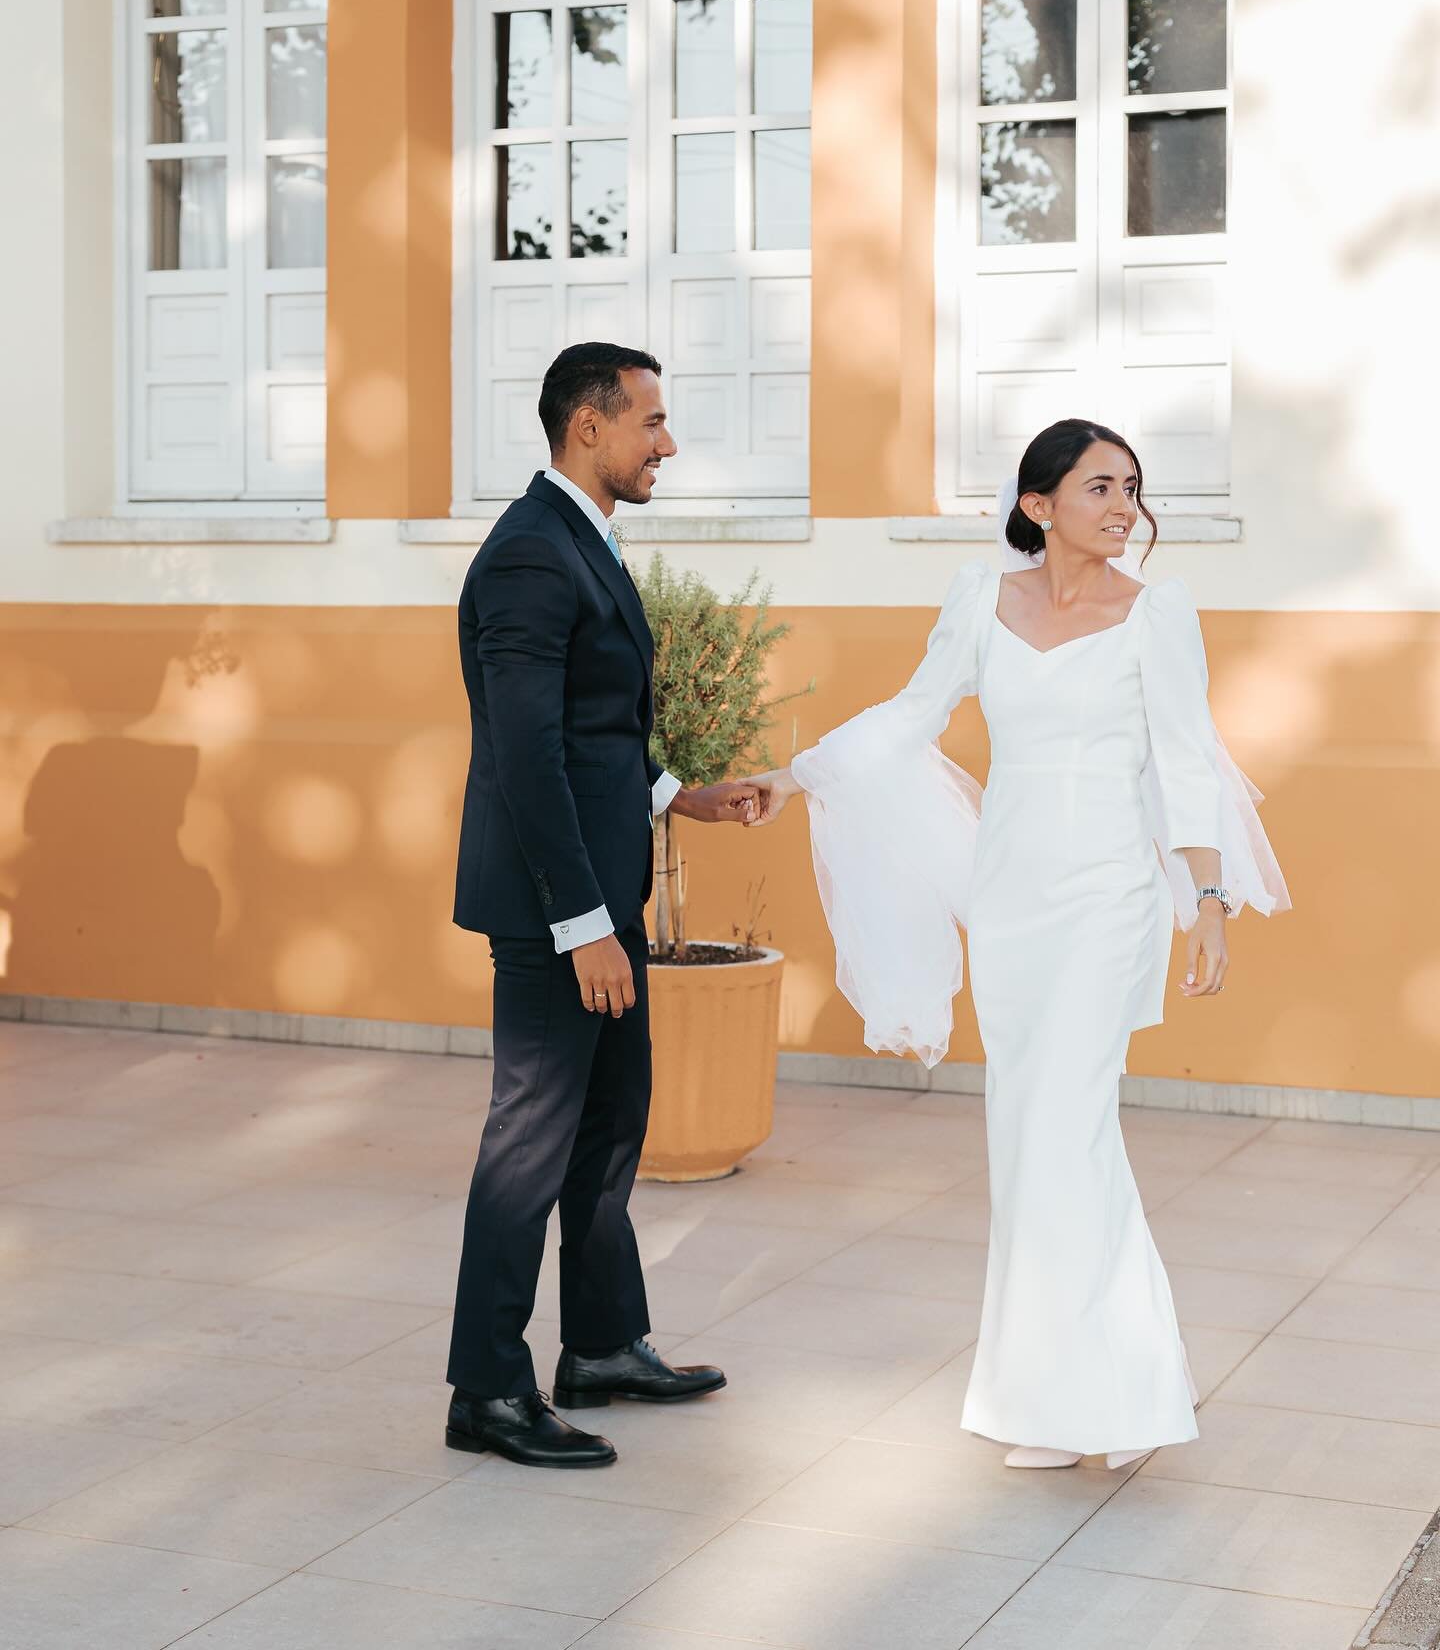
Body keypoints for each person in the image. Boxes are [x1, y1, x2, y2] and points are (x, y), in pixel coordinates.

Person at [748, 419, 1290, 1468]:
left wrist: (1209, 897)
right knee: (1024, 1135)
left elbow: (1183, 762)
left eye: (1132, 487)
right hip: (1011, 897)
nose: (1123, 506)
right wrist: (794, 776)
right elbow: (912, 715)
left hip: (1109, 896)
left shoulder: (1156, 616)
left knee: (1068, 1129)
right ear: (1038, 506)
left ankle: (1119, 1398)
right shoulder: (979, 603)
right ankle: (1052, 1399)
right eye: (1098, 488)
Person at [446, 342, 759, 1469]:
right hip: (551, 911)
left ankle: (602, 1346)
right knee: (527, 1144)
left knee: (610, 1123)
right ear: (589, 426)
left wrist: (683, 794)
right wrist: (583, 923)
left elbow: (589, 732)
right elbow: (523, 753)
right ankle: (485, 1390)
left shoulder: (582, 538)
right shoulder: (534, 554)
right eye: (652, 423)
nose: (666, 444)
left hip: (594, 891)